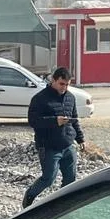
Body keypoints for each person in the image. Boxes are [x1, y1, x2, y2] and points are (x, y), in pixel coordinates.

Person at [23, 67, 83, 208]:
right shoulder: (40, 99)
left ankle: (63, 205)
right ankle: (30, 194)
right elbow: (33, 121)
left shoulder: (70, 97)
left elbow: (75, 120)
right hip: (48, 146)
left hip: (68, 145)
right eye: (62, 84)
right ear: (53, 80)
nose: (65, 87)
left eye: (68, 84)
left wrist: (80, 139)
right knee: (48, 179)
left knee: (70, 178)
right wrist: (54, 121)